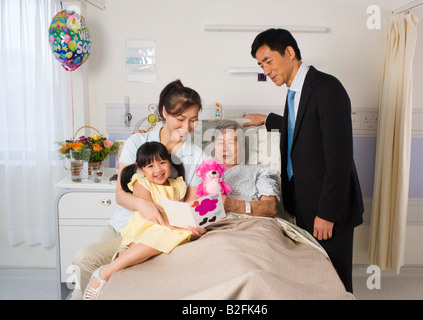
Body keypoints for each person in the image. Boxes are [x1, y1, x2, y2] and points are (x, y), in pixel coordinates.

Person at [243, 29, 364, 292]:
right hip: (307, 204)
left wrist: (327, 214)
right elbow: (299, 130)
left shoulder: (327, 88)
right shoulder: (294, 92)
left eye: (268, 61)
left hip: (328, 210)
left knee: (336, 283)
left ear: (289, 52)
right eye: (261, 65)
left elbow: (340, 158)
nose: (266, 70)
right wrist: (266, 119)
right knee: (314, 278)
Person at [73, 80, 207, 298]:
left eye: (193, 121)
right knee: (84, 260)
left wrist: (191, 226)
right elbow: (120, 194)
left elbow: (188, 206)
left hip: (159, 231)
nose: (187, 127)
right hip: (123, 227)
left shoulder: (197, 157)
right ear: (164, 112)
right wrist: (143, 204)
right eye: (180, 119)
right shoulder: (137, 141)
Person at [83, 142, 200, 299]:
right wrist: (177, 229)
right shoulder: (142, 183)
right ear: (141, 170)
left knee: (182, 237)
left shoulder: (178, 185)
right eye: (150, 166)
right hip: (147, 226)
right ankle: (105, 272)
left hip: (167, 226)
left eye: (162, 162)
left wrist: (189, 227)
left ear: (169, 163)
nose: (158, 169)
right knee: (165, 233)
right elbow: (151, 215)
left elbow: (178, 213)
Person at [213, 120, 280, 217]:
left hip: (249, 224)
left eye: (230, 142)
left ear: (243, 147)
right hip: (213, 226)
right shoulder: (201, 174)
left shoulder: (258, 173)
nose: (224, 148)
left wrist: (235, 205)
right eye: (219, 143)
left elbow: (270, 207)